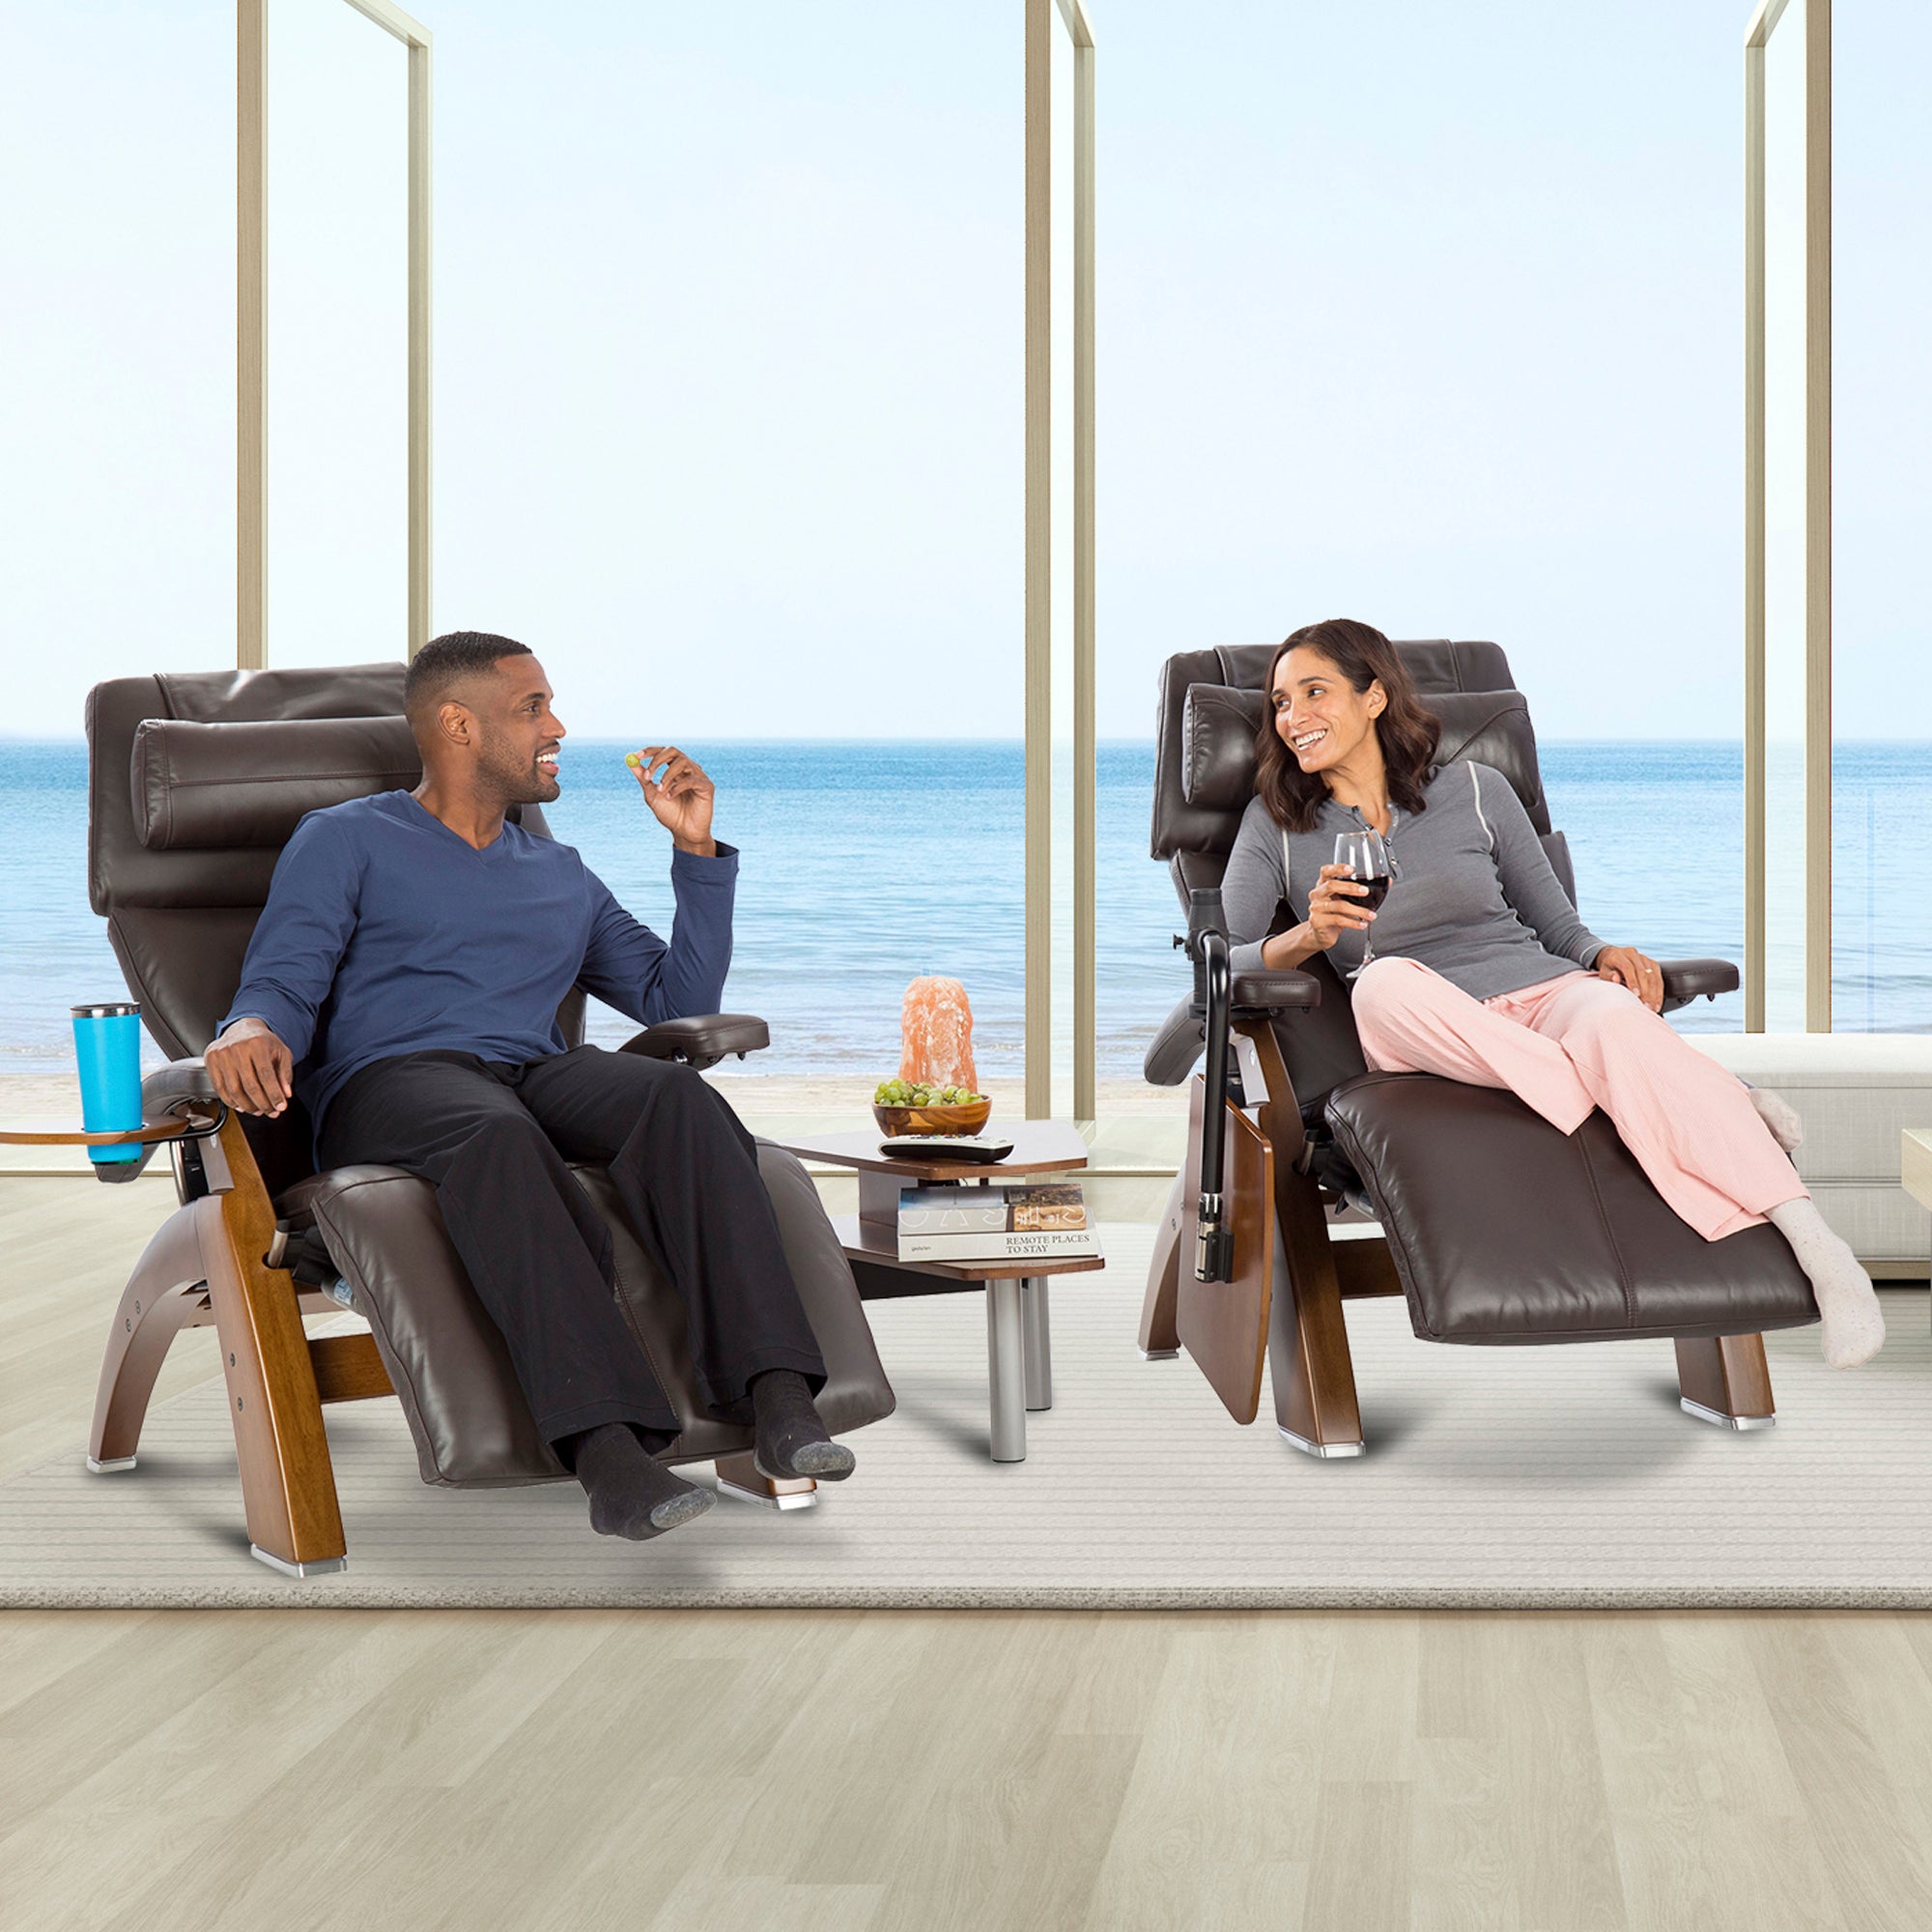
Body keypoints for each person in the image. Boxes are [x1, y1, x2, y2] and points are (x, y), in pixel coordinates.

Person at [203, 630, 857, 1542]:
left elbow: (677, 1003)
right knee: (495, 1133)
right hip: (390, 1082)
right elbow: (284, 976)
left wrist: (696, 851)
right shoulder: (348, 838)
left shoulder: (558, 872)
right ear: (458, 725)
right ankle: (606, 1452)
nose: (558, 727)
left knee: (679, 1100)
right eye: (534, 708)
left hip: (532, 1071)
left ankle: (779, 1397)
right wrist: (248, 1026)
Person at [1219, 617, 1886, 1370]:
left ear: (1374, 698)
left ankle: (1823, 1252)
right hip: (1429, 1020)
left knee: (1608, 1014)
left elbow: (1557, 926)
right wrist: (1307, 937)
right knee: (1380, 983)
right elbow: (1223, 960)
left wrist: (1602, 956)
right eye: (1280, 702)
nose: (1293, 717)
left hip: (1540, 992)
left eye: (1314, 692)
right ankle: (1701, 1092)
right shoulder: (1276, 823)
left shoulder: (1477, 789)